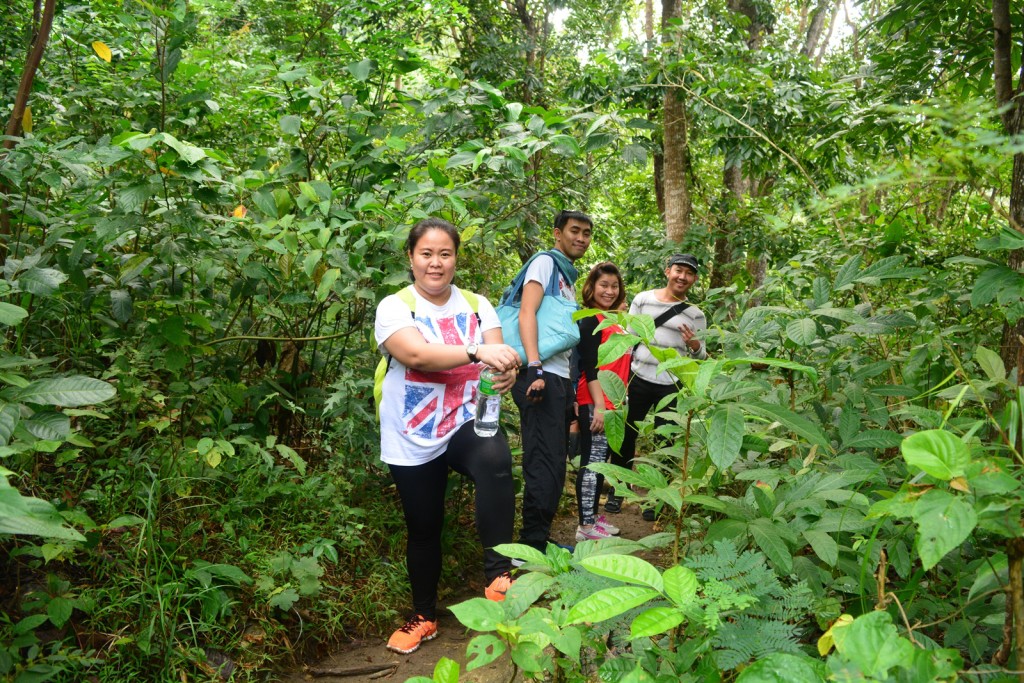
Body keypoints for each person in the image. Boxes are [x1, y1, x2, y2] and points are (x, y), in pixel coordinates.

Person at [375, 218, 521, 655]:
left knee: (495, 459)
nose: (435, 263)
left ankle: (498, 574)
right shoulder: (395, 306)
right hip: (411, 433)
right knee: (423, 528)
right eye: (426, 254)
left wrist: (507, 370)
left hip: (463, 420)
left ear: (456, 258)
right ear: (411, 258)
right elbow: (415, 354)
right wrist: (477, 351)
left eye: (445, 254)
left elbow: (497, 358)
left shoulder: (477, 305)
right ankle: (425, 616)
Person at [512, 210, 593, 552]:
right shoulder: (545, 263)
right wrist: (534, 367)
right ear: (557, 233)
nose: (581, 238)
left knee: (555, 462)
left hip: (557, 379)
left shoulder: (567, 277)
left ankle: (539, 539)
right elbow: (526, 311)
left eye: (587, 233)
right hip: (539, 376)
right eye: (575, 231)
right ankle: (530, 546)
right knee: (543, 461)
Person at [606, 253, 707, 519]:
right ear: (667, 272)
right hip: (637, 378)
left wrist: (694, 345)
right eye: (678, 271)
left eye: (689, 273)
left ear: (694, 279)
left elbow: (702, 355)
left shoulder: (696, 315)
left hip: (671, 384)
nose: (682, 277)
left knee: (666, 440)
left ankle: (656, 499)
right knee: (627, 435)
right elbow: (628, 339)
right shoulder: (643, 300)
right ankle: (618, 490)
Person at [574, 262, 630, 541]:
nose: (609, 291)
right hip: (595, 400)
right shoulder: (588, 320)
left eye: (614, 286)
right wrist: (598, 406)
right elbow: (590, 367)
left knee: (601, 463)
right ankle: (585, 526)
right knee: (593, 462)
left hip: (615, 401)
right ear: (592, 287)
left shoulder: (613, 319)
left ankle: (593, 519)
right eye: (603, 285)